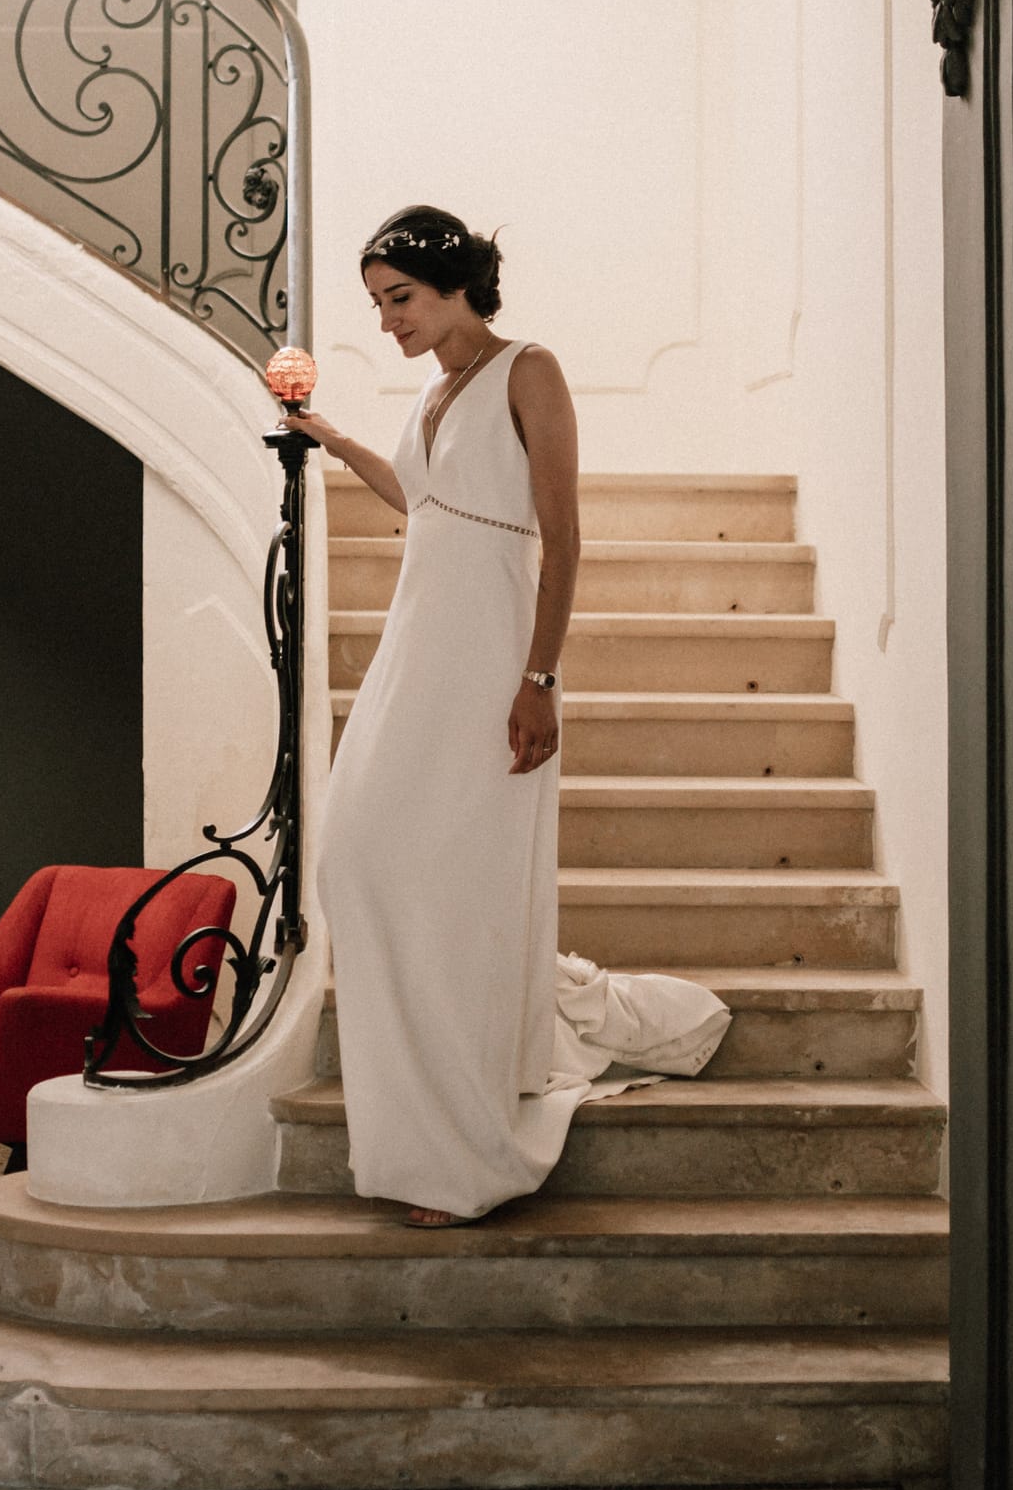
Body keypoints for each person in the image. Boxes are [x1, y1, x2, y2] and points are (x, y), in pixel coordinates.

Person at [292, 205, 728, 1227]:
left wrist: (537, 679)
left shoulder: (527, 368)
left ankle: (459, 1151)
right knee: (352, 858)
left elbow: (560, 535)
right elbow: (423, 501)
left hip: (493, 656)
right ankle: (444, 1099)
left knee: (461, 891)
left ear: (452, 282)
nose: (385, 319)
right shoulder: (434, 391)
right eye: (376, 303)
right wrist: (332, 437)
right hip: (417, 650)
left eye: (397, 298)